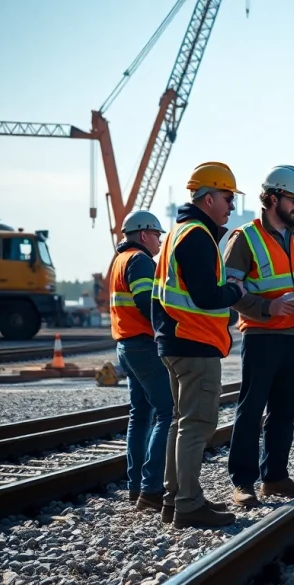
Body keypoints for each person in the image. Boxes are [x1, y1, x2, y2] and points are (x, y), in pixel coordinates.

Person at [152, 161, 246, 528]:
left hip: (176, 340)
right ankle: (188, 504)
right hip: (195, 341)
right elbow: (207, 296)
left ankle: (175, 499)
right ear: (208, 199)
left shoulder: (179, 232)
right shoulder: (197, 236)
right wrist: (235, 290)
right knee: (197, 424)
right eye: (227, 197)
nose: (231, 206)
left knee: (181, 422)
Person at [224, 165, 294, 506]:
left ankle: (275, 477)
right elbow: (231, 291)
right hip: (261, 336)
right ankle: (243, 483)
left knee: (285, 410)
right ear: (273, 198)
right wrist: (267, 308)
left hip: (293, 336)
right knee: (250, 410)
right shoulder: (244, 238)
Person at [109, 210, 173, 512]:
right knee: (167, 412)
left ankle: (136, 488)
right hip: (144, 345)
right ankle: (151, 489)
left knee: (141, 414)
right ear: (145, 234)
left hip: (125, 345)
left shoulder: (119, 260)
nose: (160, 241)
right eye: (158, 235)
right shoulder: (140, 260)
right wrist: (172, 328)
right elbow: (147, 301)